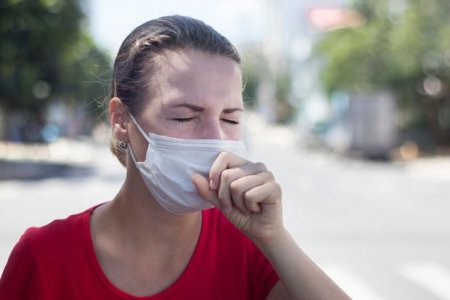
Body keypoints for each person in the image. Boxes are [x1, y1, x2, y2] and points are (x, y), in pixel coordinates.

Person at [0, 15, 349, 300]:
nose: (216, 140)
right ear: (121, 120)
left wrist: (276, 239)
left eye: (231, 118)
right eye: (184, 117)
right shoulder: (44, 257)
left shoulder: (250, 249)